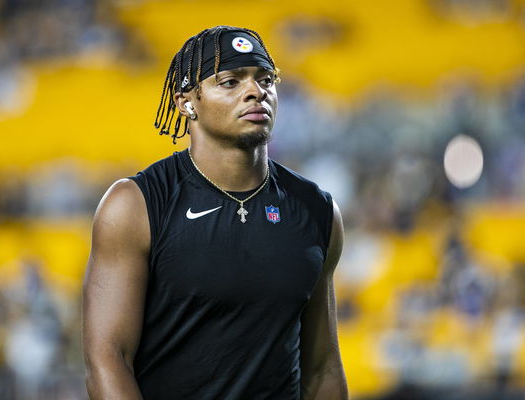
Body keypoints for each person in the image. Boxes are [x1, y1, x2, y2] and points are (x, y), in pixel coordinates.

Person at [82, 25, 348, 400]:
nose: (256, 91)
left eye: (266, 79)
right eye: (230, 82)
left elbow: (322, 369)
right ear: (187, 102)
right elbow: (107, 360)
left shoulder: (316, 209)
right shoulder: (135, 204)